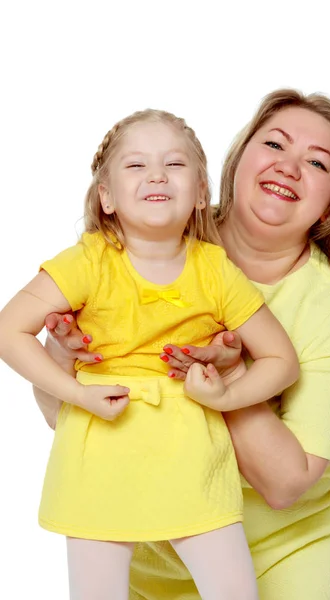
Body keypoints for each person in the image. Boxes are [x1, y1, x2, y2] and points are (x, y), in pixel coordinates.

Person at [36, 89, 330, 600]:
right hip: (151, 536)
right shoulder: (149, 235)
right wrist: (64, 356)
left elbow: (285, 485)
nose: (288, 167)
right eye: (275, 144)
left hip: (289, 543)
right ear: (236, 161)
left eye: (317, 163)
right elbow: (63, 416)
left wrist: (232, 375)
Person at [0, 109, 300, 600]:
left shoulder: (215, 269)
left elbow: (281, 361)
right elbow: (9, 330)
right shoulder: (88, 261)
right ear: (107, 197)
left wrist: (225, 396)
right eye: (136, 166)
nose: (157, 175)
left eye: (175, 165)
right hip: (98, 454)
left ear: (202, 192)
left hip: (192, 458)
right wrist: (77, 393)